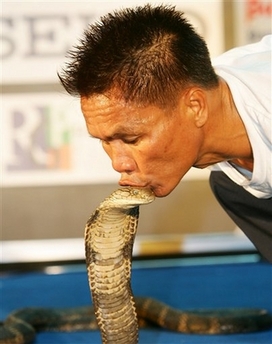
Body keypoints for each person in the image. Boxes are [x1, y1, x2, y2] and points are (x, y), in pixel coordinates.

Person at [58, 5, 272, 262]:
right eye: (106, 141)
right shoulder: (199, 87)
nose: (119, 163)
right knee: (231, 188)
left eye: (131, 139)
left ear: (195, 107)